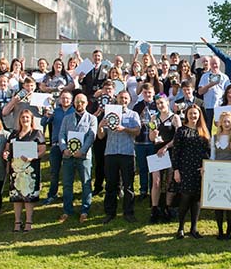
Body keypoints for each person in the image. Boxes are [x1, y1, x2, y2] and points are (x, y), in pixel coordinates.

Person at [97, 90, 141, 224]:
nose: (123, 100)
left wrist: (124, 129)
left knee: (128, 185)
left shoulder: (133, 114)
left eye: (126, 98)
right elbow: (100, 136)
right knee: (110, 185)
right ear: (117, 98)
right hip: (110, 153)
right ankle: (110, 212)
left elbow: (138, 131)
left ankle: (128, 212)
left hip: (127, 153)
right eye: (121, 97)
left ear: (129, 100)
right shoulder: (108, 113)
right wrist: (100, 126)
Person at [3, 109, 46, 232]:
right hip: (15, 170)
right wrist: (6, 154)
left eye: (27, 117)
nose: (25, 120)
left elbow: (42, 150)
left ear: (31, 119)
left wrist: (33, 157)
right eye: (23, 117)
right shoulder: (14, 134)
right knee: (16, 196)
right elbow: (7, 149)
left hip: (30, 169)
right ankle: (17, 221)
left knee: (28, 196)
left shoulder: (37, 133)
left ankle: (28, 221)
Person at [57, 94, 98, 223]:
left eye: (82, 102)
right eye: (77, 102)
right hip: (68, 156)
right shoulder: (67, 118)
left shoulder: (92, 119)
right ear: (74, 103)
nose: (79, 104)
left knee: (86, 183)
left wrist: (82, 151)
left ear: (86, 103)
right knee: (67, 184)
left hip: (84, 157)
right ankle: (67, 210)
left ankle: (85, 210)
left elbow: (91, 136)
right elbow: (61, 134)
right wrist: (64, 149)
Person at [172, 105, 210, 239]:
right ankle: (180, 228)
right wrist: (176, 170)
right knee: (185, 198)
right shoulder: (181, 131)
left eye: (195, 114)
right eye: (191, 113)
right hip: (185, 169)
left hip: (199, 170)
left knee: (197, 200)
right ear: (186, 115)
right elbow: (176, 152)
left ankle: (194, 228)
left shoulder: (204, 131)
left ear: (199, 115)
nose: (193, 116)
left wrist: (206, 166)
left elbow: (207, 152)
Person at [148, 94, 181, 223]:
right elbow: (151, 139)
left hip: (170, 151)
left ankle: (167, 207)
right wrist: (153, 134)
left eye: (162, 103)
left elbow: (178, 138)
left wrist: (166, 147)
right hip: (157, 152)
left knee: (169, 181)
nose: (160, 106)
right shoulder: (153, 118)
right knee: (156, 181)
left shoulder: (175, 118)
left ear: (167, 102)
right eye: (157, 104)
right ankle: (155, 208)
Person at [209, 111, 231, 240]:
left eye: (229, 121)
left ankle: (229, 229)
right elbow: (212, 157)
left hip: (230, 174)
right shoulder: (214, 138)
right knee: (218, 202)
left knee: (229, 203)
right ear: (220, 123)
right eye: (224, 121)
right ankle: (220, 230)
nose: (227, 124)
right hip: (217, 175)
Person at [40, 90, 75, 205]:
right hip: (56, 145)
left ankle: (67, 195)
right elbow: (43, 123)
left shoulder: (74, 111)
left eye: (67, 98)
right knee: (54, 172)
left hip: (70, 145)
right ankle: (52, 194)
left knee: (68, 172)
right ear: (59, 99)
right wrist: (46, 116)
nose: (65, 100)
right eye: (63, 98)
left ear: (71, 100)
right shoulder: (55, 111)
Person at [132, 83, 159, 199]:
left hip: (153, 142)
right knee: (142, 167)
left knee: (153, 168)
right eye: (145, 93)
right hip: (140, 141)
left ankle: (152, 189)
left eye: (149, 92)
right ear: (142, 93)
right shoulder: (137, 106)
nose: (147, 94)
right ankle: (143, 190)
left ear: (153, 93)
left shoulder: (158, 105)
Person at [197, 57, 231, 130]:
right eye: (212, 64)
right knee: (207, 128)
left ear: (219, 64)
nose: (214, 65)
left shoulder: (225, 77)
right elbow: (200, 92)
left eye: (216, 63)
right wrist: (210, 85)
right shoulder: (205, 76)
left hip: (220, 106)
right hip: (208, 107)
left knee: (220, 128)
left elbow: (229, 92)